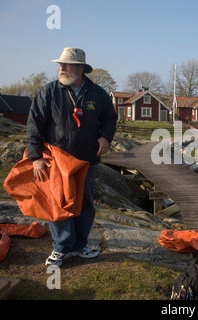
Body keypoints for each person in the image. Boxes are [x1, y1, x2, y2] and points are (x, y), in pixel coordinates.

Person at [27, 47, 118, 266]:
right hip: (57, 160)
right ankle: (61, 247)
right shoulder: (48, 92)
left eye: (66, 64)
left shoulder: (98, 93)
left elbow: (110, 119)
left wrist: (105, 138)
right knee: (59, 203)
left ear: (80, 69)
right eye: (60, 65)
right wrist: (36, 156)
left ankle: (79, 246)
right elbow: (34, 124)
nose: (61, 68)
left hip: (86, 160)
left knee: (84, 203)